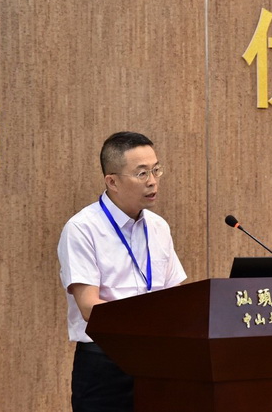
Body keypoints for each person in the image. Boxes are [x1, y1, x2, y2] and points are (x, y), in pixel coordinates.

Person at [57, 131, 186, 412]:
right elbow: (89, 307)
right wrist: (146, 318)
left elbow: (175, 294)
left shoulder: (158, 226)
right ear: (112, 181)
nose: (152, 181)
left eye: (156, 170)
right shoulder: (82, 228)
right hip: (105, 363)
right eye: (141, 173)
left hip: (157, 359)